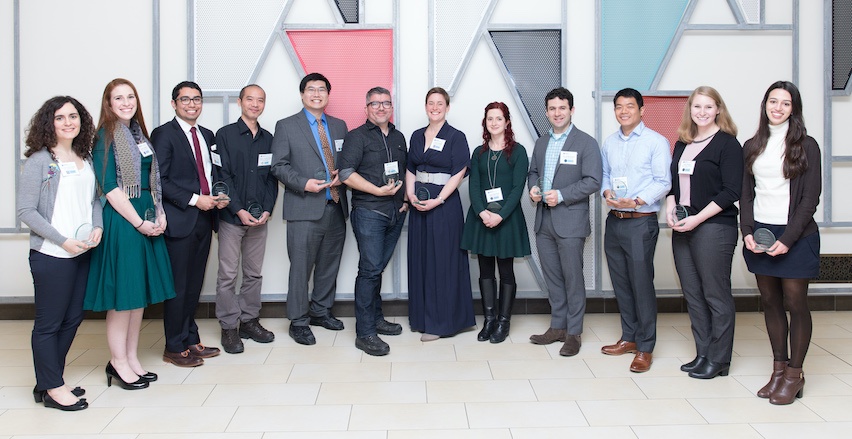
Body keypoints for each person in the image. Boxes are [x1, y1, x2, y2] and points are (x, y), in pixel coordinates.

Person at [85, 78, 175, 389]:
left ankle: (132, 357)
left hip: (147, 214)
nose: (126, 103)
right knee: (123, 298)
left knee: (138, 298)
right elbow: (109, 187)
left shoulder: (139, 134)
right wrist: (138, 222)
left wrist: (159, 213)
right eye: (118, 98)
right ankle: (117, 362)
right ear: (108, 104)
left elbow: (152, 181)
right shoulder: (104, 137)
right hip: (125, 222)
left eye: (130, 97)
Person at [741, 81, 821, 405]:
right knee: (770, 301)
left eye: (785, 103)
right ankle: (777, 370)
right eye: (772, 101)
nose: (777, 108)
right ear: (764, 105)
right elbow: (746, 193)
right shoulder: (752, 145)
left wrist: (787, 240)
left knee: (795, 302)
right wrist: (746, 230)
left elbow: (810, 199)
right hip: (761, 233)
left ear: (794, 109)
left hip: (797, 234)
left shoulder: (807, 145)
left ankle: (794, 374)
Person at [18, 96, 100, 410]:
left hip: (82, 251)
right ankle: (53, 387)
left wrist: (98, 226)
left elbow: (94, 199)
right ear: (49, 123)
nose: (68, 122)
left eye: (73, 116)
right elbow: (26, 210)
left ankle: (50, 381)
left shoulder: (85, 156)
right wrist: (62, 240)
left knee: (72, 319)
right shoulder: (40, 160)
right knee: (48, 323)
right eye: (60, 117)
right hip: (52, 253)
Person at [666, 86, 742, 379]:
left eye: (708, 107)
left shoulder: (727, 144)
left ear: (719, 109)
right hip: (683, 226)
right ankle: (704, 353)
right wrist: (671, 209)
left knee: (715, 294)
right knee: (693, 294)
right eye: (697, 107)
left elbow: (731, 191)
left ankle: (720, 359)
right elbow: (674, 184)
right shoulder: (682, 143)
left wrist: (697, 218)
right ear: (690, 110)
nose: (702, 112)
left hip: (713, 227)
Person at [152, 81, 228, 367]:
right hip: (179, 220)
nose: (192, 104)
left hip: (205, 219)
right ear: (174, 103)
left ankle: (190, 338)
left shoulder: (206, 135)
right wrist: (196, 199)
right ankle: (174, 346)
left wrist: (217, 197)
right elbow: (160, 180)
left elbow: (209, 173)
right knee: (178, 286)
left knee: (194, 284)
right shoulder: (164, 134)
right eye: (185, 99)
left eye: (196, 99)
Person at [271, 72, 349, 345]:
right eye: (311, 89)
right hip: (304, 207)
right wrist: (304, 183)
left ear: (328, 94)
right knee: (301, 268)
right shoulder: (286, 126)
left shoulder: (339, 126)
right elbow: (278, 166)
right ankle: (299, 320)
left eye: (322, 90)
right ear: (302, 94)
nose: (317, 94)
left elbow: (347, 161)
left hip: (336, 206)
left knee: (329, 265)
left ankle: (321, 311)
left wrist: (345, 174)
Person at [600, 88, 671, 373]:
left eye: (630, 106)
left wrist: (638, 200)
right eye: (619, 106)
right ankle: (628, 337)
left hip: (641, 221)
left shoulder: (656, 142)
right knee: (622, 283)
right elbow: (605, 173)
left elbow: (663, 181)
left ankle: (645, 347)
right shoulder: (609, 142)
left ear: (642, 110)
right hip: (615, 220)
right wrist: (606, 191)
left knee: (641, 284)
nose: (624, 111)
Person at [526, 89, 602, 355]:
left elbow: (593, 181)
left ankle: (574, 332)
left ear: (571, 110)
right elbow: (534, 172)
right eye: (552, 109)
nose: (557, 113)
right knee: (553, 278)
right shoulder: (541, 142)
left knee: (572, 278)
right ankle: (557, 326)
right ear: (546, 112)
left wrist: (561, 195)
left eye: (562, 108)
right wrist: (533, 189)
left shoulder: (586, 142)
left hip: (570, 221)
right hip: (544, 221)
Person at [337, 86, 408, 356]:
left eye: (386, 103)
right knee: (369, 271)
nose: (381, 108)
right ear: (366, 108)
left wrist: (403, 201)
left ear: (392, 107)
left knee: (376, 268)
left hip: (395, 213)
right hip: (369, 213)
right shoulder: (356, 137)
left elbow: (404, 170)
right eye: (375, 103)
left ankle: (377, 319)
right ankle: (365, 333)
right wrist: (377, 191)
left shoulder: (399, 137)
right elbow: (345, 173)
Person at [406, 87, 474, 341]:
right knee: (421, 260)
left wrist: (439, 199)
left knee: (443, 262)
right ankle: (422, 318)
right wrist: (410, 194)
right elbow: (411, 167)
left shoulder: (456, 137)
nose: (435, 107)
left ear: (447, 107)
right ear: (426, 107)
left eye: (440, 103)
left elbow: (459, 172)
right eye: (430, 103)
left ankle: (443, 323)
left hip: (444, 206)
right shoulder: (415, 136)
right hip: (419, 205)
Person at [213, 84, 277, 354]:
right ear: (240, 102)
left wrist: (267, 209)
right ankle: (229, 327)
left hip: (259, 218)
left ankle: (249, 321)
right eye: (250, 99)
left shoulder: (269, 138)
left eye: (260, 100)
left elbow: (273, 178)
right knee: (227, 275)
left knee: (253, 273)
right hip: (231, 217)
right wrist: (238, 209)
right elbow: (221, 176)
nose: (255, 104)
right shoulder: (225, 135)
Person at [461, 102, 532, 344]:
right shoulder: (478, 153)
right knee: (485, 271)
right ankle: (489, 320)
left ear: (507, 122)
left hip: (507, 219)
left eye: (498, 118)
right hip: (482, 219)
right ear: (485, 122)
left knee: (505, 270)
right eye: (490, 118)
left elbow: (517, 188)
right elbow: (474, 187)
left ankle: (504, 321)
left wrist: (500, 215)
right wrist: (482, 213)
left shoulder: (519, 152)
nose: (494, 123)